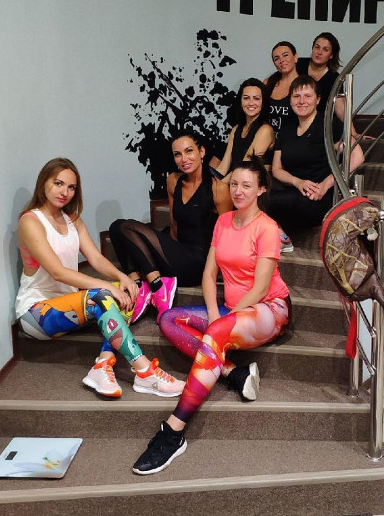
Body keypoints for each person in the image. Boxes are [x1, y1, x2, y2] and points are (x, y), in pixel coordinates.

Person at [132, 157, 291, 475]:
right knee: (168, 320)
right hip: (231, 311)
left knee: (216, 333)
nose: (238, 191)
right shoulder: (224, 222)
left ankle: (173, 431)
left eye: (247, 185)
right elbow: (208, 275)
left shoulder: (267, 228)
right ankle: (233, 373)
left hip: (269, 308)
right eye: (234, 184)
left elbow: (261, 287)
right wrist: (215, 313)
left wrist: (221, 321)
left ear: (260, 190)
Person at [15, 158, 185, 399]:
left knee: (128, 291)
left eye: (71, 187)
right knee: (102, 295)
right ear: (44, 183)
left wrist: (122, 278)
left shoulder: (72, 220)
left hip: (71, 307)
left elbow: (95, 258)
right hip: (36, 314)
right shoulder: (30, 221)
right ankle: (145, 372)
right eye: (58, 183)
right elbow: (57, 272)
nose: (65, 192)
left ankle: (103, 364)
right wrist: (107, 286)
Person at [109, 131, 232, 323]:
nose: (184, 159)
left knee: (127, 228)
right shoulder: (174, 180)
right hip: (178, 252)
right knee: (116, 228)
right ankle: (138, 286)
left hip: (198, 263)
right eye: (177, 154)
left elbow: (227, 238)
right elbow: (174, 224)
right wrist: (165, 253)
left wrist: (218, 275)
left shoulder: (219, 189)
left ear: (201, 152)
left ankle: (157, 287)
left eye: (189, 151)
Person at [265, 75, 363, 252]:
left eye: (307, 96)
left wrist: (326, 184)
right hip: (293, 188)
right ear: (290, 100)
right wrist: (297, 182)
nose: (301, 101)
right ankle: (281, 235)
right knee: (255, 194)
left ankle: (279, 238)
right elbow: (277, 169)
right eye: (296, 96)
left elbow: (357, 156)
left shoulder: (328, 125)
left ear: (318, 100)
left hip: (318, 195)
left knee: (269, 201)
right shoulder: (287, 127)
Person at [297, 31, 366, 143]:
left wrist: (353, 133)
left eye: (325, 50)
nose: (319, 52)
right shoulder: (298, 64)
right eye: (317, 47)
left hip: (320, 124)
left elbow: (341, 108)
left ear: (331, 55)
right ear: (312, 49)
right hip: (296, 118)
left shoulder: (334, 78)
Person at [214, 78, 274, 181]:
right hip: (234, 181)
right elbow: (223, 166)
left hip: (252, 183)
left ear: (263, 102)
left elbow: (245, 166)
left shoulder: (265, 130)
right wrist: (211, 184)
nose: (251, 103)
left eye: (256, 98)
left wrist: (220, 186)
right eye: (246, 98)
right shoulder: (236, 129)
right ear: (240, 101)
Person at [264, 41, 299, 135]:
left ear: (295, 57)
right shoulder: (267, 83)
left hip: (291, 140)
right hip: (266, 140)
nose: (281, 60)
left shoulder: (305, 86)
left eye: (285, 55)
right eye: (277, 58)